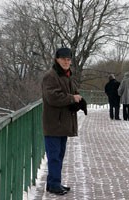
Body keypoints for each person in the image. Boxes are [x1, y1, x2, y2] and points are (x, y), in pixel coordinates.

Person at [42, 47, 85, 195]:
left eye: (68, 59)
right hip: (54, 124)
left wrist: (78, 99)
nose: (67, 62)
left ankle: (53, 183)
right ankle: (54, 184)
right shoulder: (51, 76)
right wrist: (72, 98)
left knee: (59, 155)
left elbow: (72, 92)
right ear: (57, 60)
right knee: (54, 156)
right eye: (63, 59)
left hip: (62, 123)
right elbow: (52, 97)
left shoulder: (66, 75)